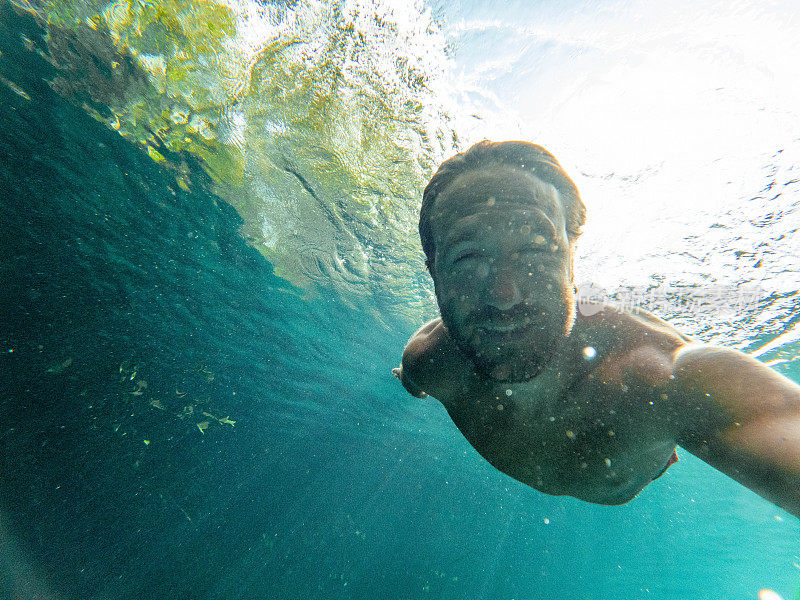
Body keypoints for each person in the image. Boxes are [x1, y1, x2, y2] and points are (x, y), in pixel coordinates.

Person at [393, 140, 800, 517]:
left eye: (535, 249)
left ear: (572, 256)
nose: (504, 295)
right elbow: (413, 379)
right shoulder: (427, 363)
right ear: (434, 272)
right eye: (466, 258)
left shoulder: (662, 377)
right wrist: (409, 382)